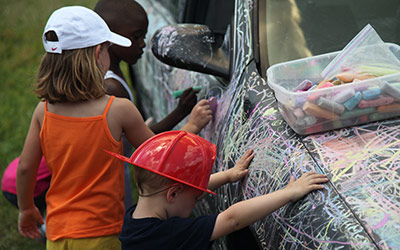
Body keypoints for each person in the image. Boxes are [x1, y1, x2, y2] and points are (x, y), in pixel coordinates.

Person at [17, 6, 159, 249]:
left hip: (57, 234)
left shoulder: (44, 110)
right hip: (103, 233)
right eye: (107, 48)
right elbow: (159, 154)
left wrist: (27, 208)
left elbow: (25, 168)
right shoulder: (118, 109)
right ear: (97, 53)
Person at [106, 131, 329, 249]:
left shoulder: (135, 218)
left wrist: (228, 176)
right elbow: (231, 219)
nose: (199, 197)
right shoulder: (168, 234)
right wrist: (289, 192)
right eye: (196, 195)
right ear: (172, 194)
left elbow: (180, 189)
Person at [94, 0, 212, 208]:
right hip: (108, 185)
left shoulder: (108, 75)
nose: (142, 44)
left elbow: (136, 133)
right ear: (111, 36)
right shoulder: (112, 88)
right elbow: (143, 141)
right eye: (136, 36)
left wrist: (180, 110)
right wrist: (186, 118)